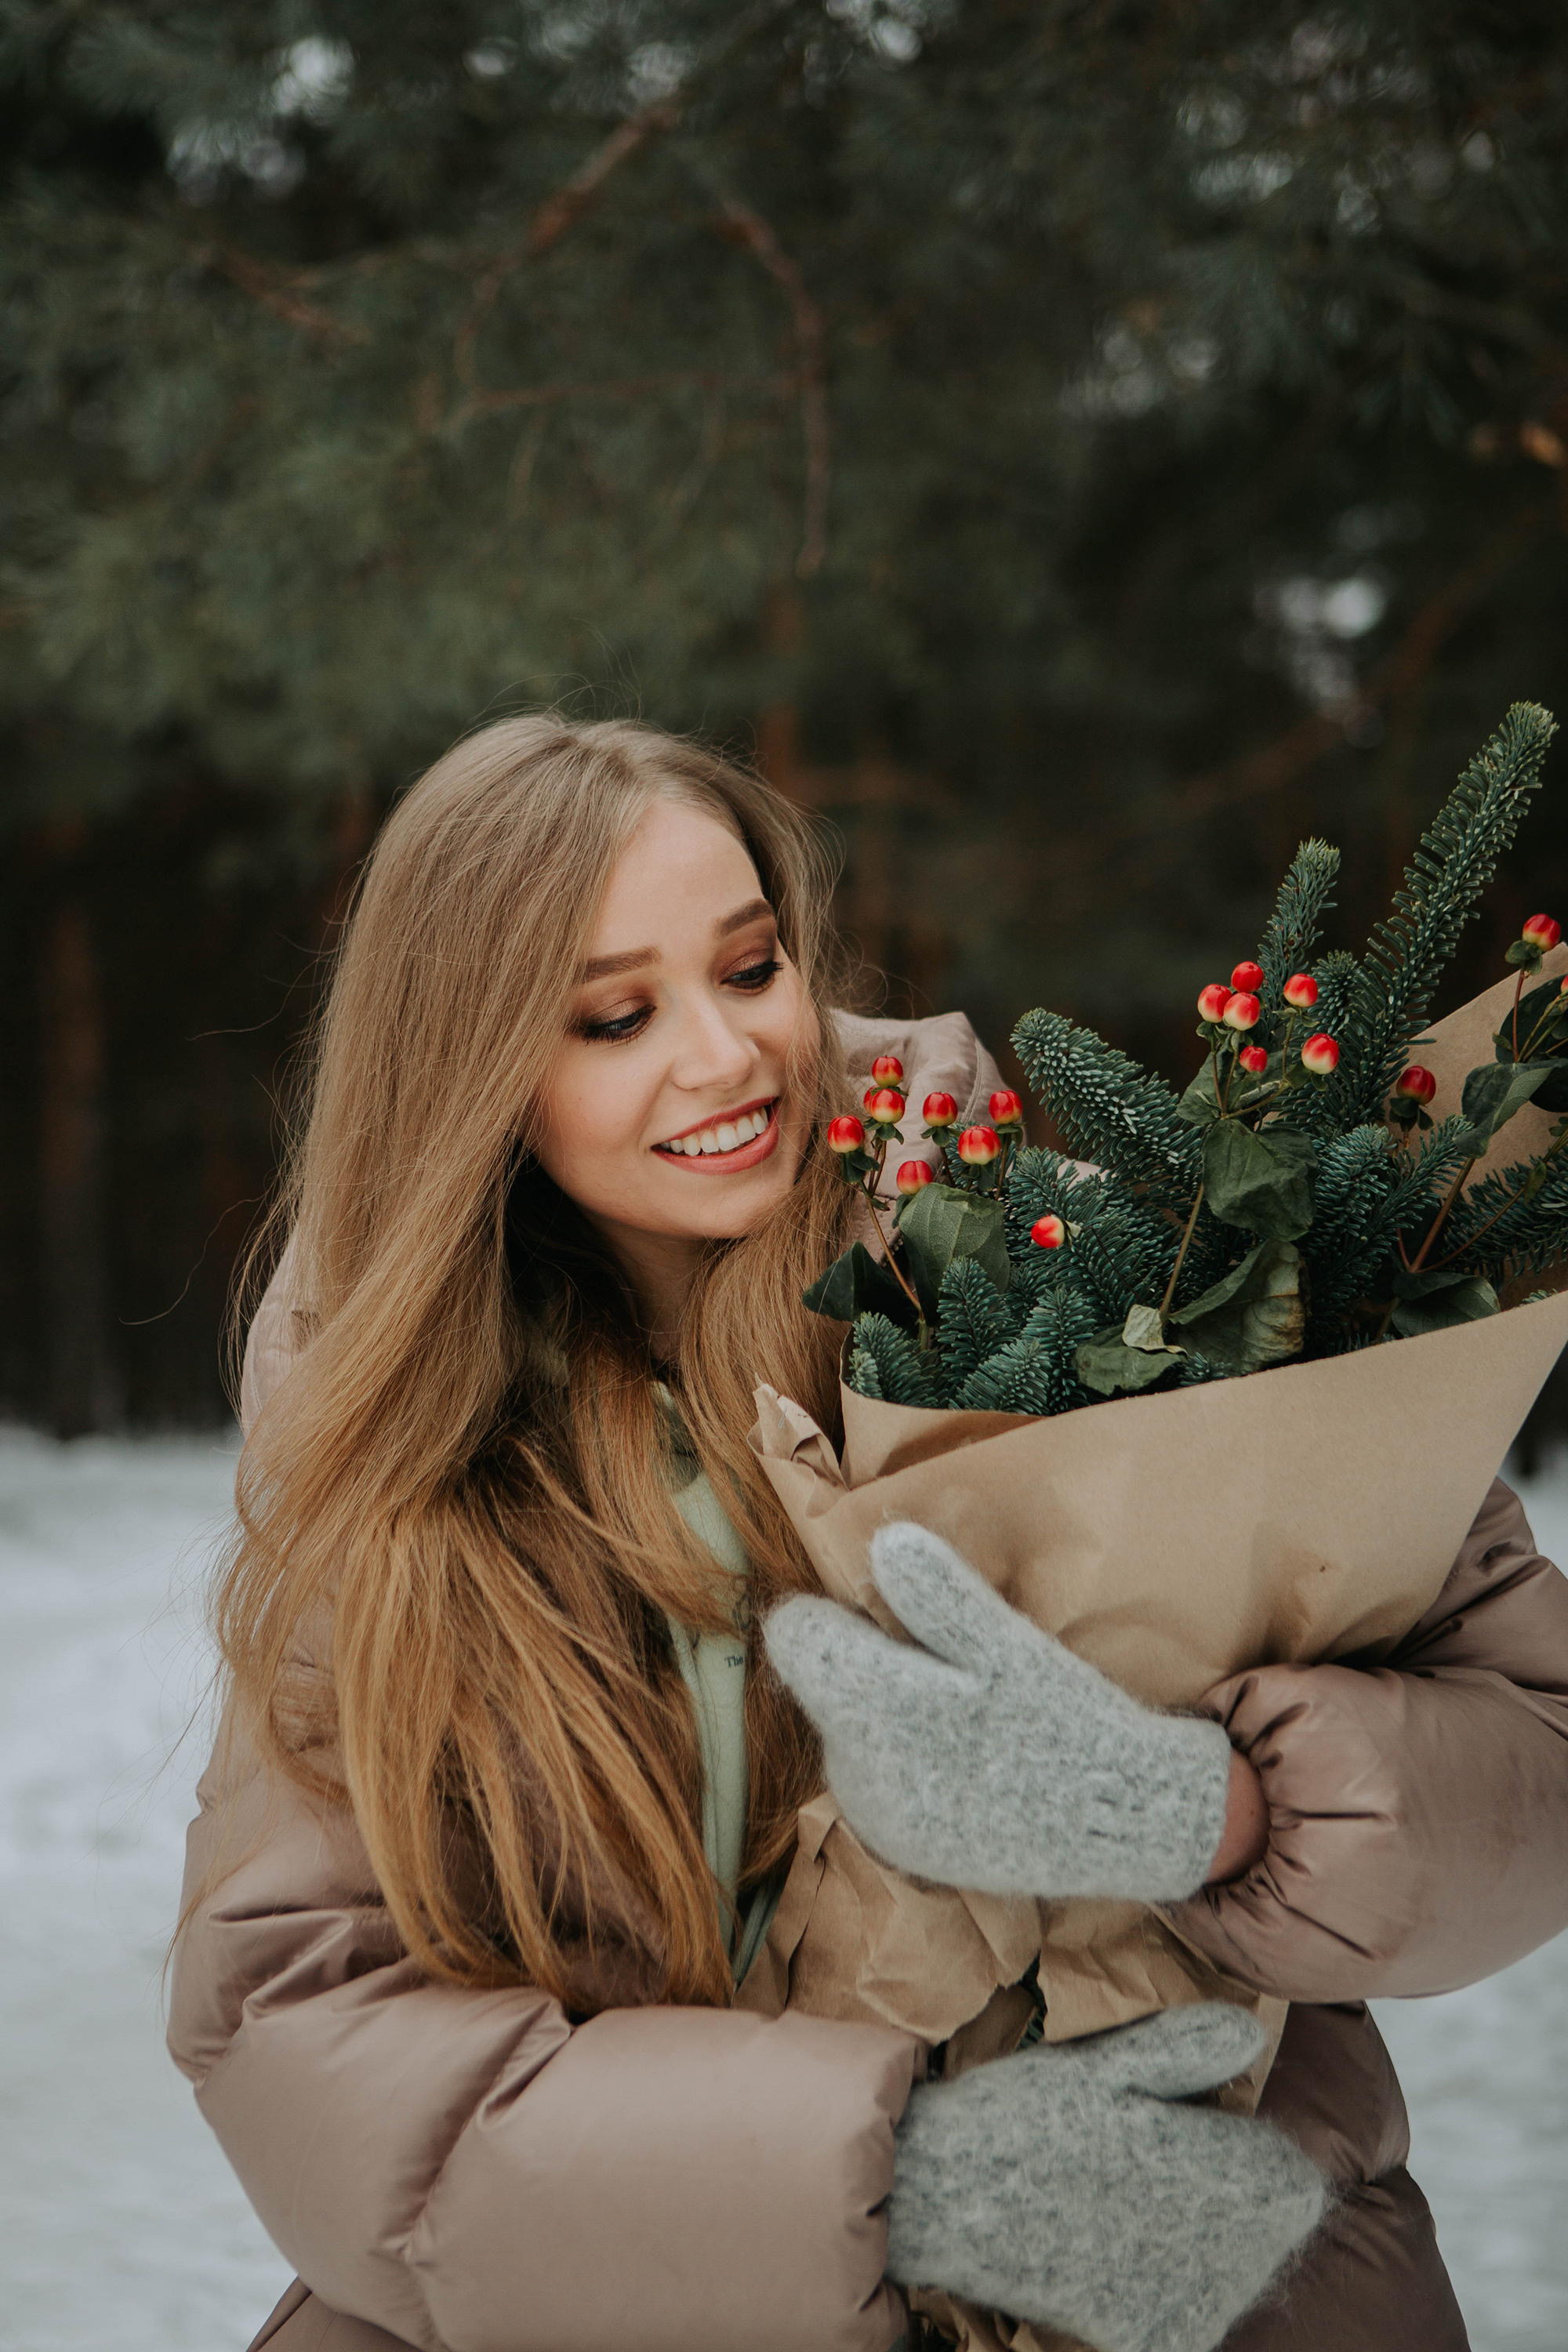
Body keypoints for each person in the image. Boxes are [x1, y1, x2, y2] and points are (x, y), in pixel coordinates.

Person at [168, 714, 1568, 2352]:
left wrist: (1225, 1809)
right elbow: (299, 2027)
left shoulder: (1088, 1273)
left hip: (1209, 2275)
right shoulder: (398, 1476)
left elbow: (1528, 1760)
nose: (723, 1056)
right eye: (615, 1015)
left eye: (749, 969)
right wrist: (898, 2182)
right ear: (476, 1069)